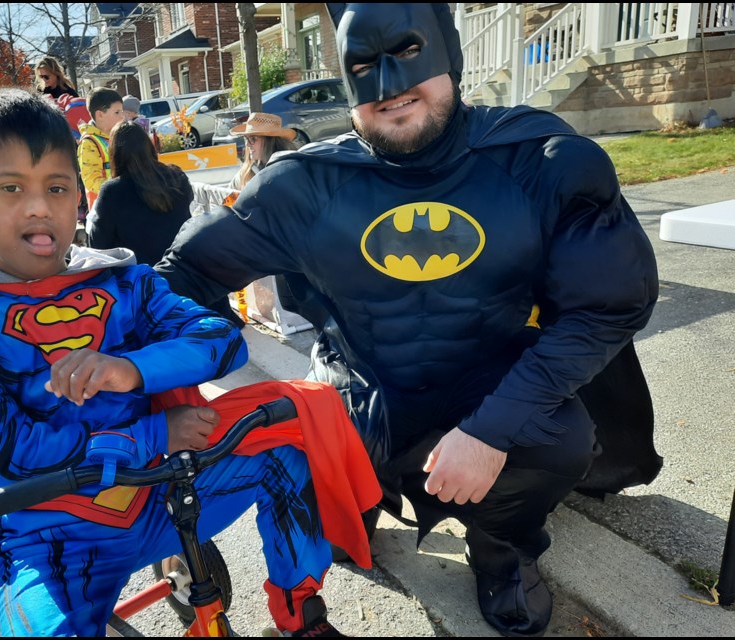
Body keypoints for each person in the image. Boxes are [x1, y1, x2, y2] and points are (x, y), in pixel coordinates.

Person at [155, 4, 661, 637]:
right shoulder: (304, 186)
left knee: (557, 439)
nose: (390, 86)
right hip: (360, 387)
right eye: (364, 67)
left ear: (449, 53)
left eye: (408, 53)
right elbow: (181, 278)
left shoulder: (543, 161)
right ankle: (350, 503)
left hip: (492, 379)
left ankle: (502, 548)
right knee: (296, 451)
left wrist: (492, 431)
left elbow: (607, 305)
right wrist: (174, 387)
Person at [0, 87, 379, 637]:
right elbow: (18, 455)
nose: (39, 206)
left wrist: (129, 369)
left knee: (288, 451)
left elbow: (222, 339)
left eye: (57, 187)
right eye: (11, 188)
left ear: (80, 196)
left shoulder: (127, 283)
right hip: (54, 533)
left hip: (162, 496)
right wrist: (156, 432)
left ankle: (302, 614)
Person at [88, 120, 193, 266]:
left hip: (137, 281)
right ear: (149, 146)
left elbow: (98, 247)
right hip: (182, 271)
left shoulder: (112, 191)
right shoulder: (177, 177)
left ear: (114, 154)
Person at [78, 87, 125, 217]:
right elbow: (91, 180)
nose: (122, 116)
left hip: (122, 206)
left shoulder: (118, 137)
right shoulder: (90, 143)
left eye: (122, 111)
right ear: (100, 115)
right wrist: (119, 187)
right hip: (103, 212)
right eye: (117, 112)